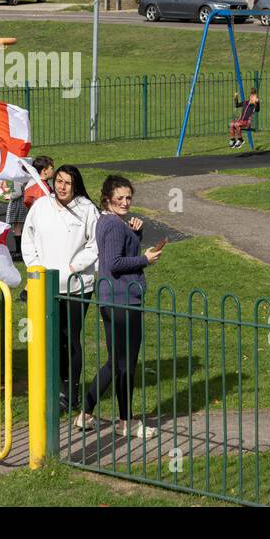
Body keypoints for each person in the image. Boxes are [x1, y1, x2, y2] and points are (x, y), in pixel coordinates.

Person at [78, 175, 164, 438]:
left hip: (111, 298)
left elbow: (114, 254)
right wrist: (145, 259)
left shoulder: (108, 221)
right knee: (125, 363)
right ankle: (125, 421)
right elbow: (115, 262)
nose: (126, 202)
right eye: (120, 198)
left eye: (129, 198)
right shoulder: (114, 225)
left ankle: (87, 412)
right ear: (107, 199)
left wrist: (135, 233)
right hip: (123, 299)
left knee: (117, 362)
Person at [21, 164, 98, 412]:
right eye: (59, 181)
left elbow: (94, 246)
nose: (62, 187)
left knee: (71, 338)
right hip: (45, 283)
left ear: (76, 185)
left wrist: (74, 267)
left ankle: (71, 391)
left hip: (77, 286)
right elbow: (28, 238)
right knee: (52, 339)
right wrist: (35, 267)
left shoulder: (87, 209)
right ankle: (54, 386)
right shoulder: (41, 206)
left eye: (68, 183)